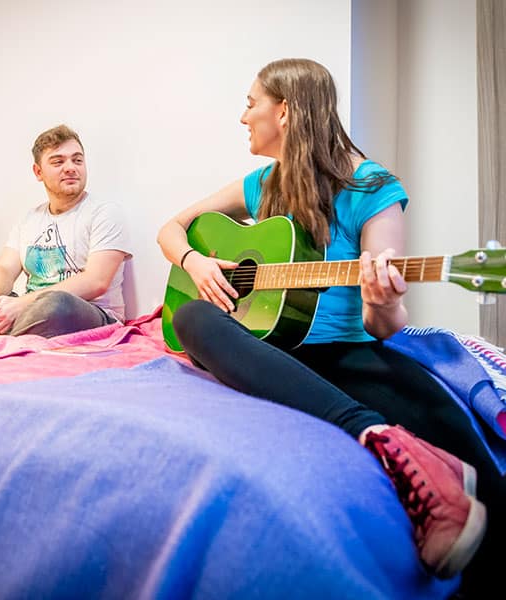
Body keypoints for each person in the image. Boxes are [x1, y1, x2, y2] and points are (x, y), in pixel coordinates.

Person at [156, 58, 488, 581]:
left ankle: (392, 443)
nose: (243, 117)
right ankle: (378, 436)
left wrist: (380, 300)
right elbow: (172, 228)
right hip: (268, 348)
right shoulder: (261, 183)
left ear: (284, 110)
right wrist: (194, 261)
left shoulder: (372, 188)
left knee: (468, 452)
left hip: (343, 353)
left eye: (250, 104)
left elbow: (385, 326)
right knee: (195, 317)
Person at [0, 124, 131, 338]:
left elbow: (96, 281)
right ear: (38, 172)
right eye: (58, 162)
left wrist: (19, 305)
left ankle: (5, 339)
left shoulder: (105, 212)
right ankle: (13, 336)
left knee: (56, 303)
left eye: (77, 160)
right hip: (31, 313)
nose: (71, 167)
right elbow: (4, 270)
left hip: (86, 314)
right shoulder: (29, 219)